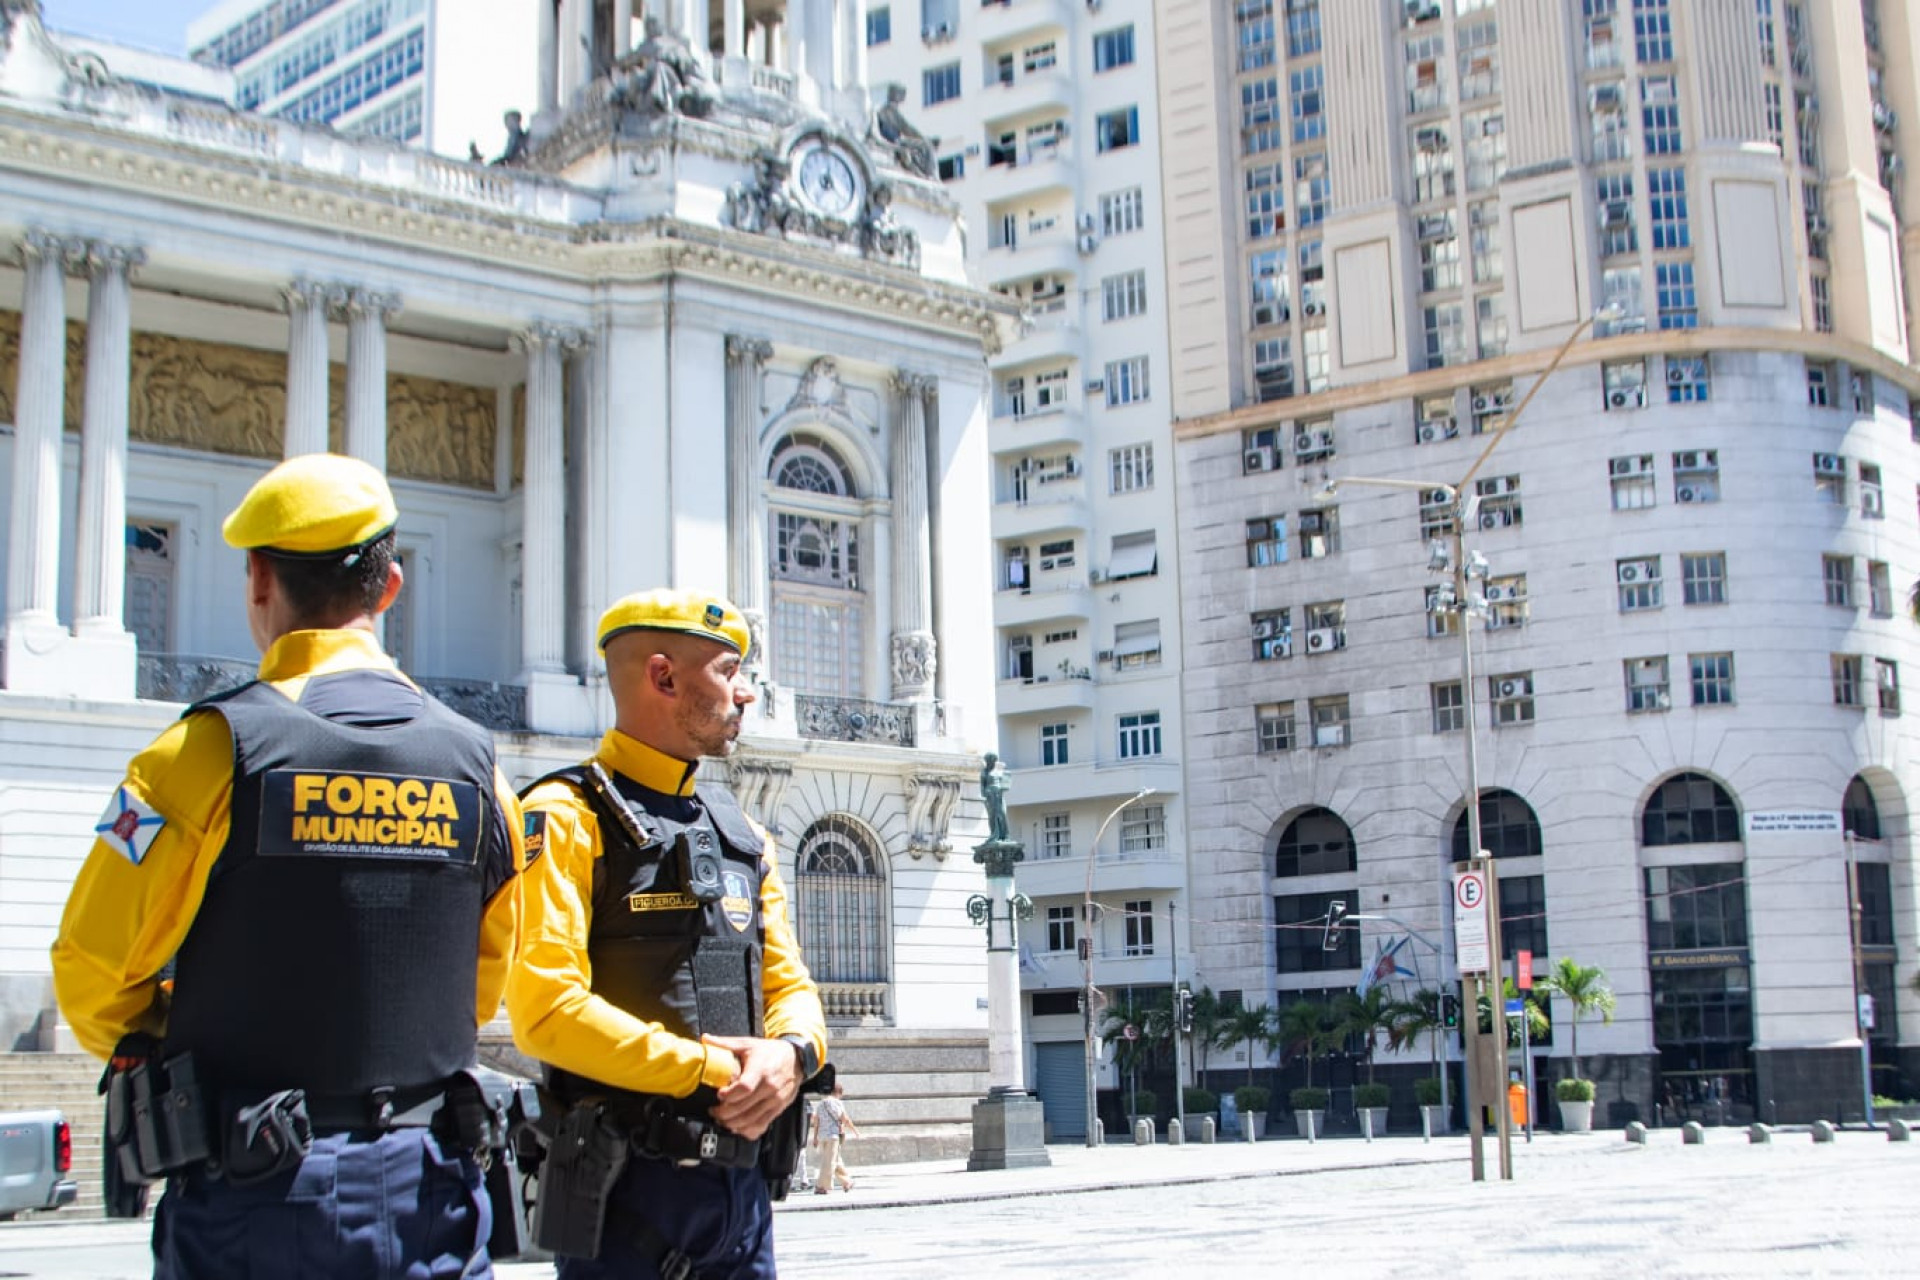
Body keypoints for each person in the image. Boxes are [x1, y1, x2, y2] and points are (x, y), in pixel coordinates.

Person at [50, 453, 526, 1278]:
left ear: (258, 580)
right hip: (432, 1193)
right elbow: (481, 983)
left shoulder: (203, 754)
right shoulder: (481, 769)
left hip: (254, 1195)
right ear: (390, 588)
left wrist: (197, 1016)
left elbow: (93, 976)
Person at [507, 588, 828, 1279]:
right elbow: (545, 1012)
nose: (745, 694)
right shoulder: (565, 817)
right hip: (625, 1195)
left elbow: (789, 983)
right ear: (663, 676)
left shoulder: (742, 832)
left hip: (743, 1192)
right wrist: (720, 1072)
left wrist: (793, 1056)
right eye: (729, 671)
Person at [810, 1083, 860, 1195]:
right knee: (830, 1162)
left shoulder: (820, 1104)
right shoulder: (836, 1103)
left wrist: (815, 1138)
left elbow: (816, 1122)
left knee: (834, 1160)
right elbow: (844, 1118)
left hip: (822, 1136)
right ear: (838, 1092)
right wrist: (855, 1131)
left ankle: (847, 1182)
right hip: (833, 1136)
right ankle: (821, 1186)